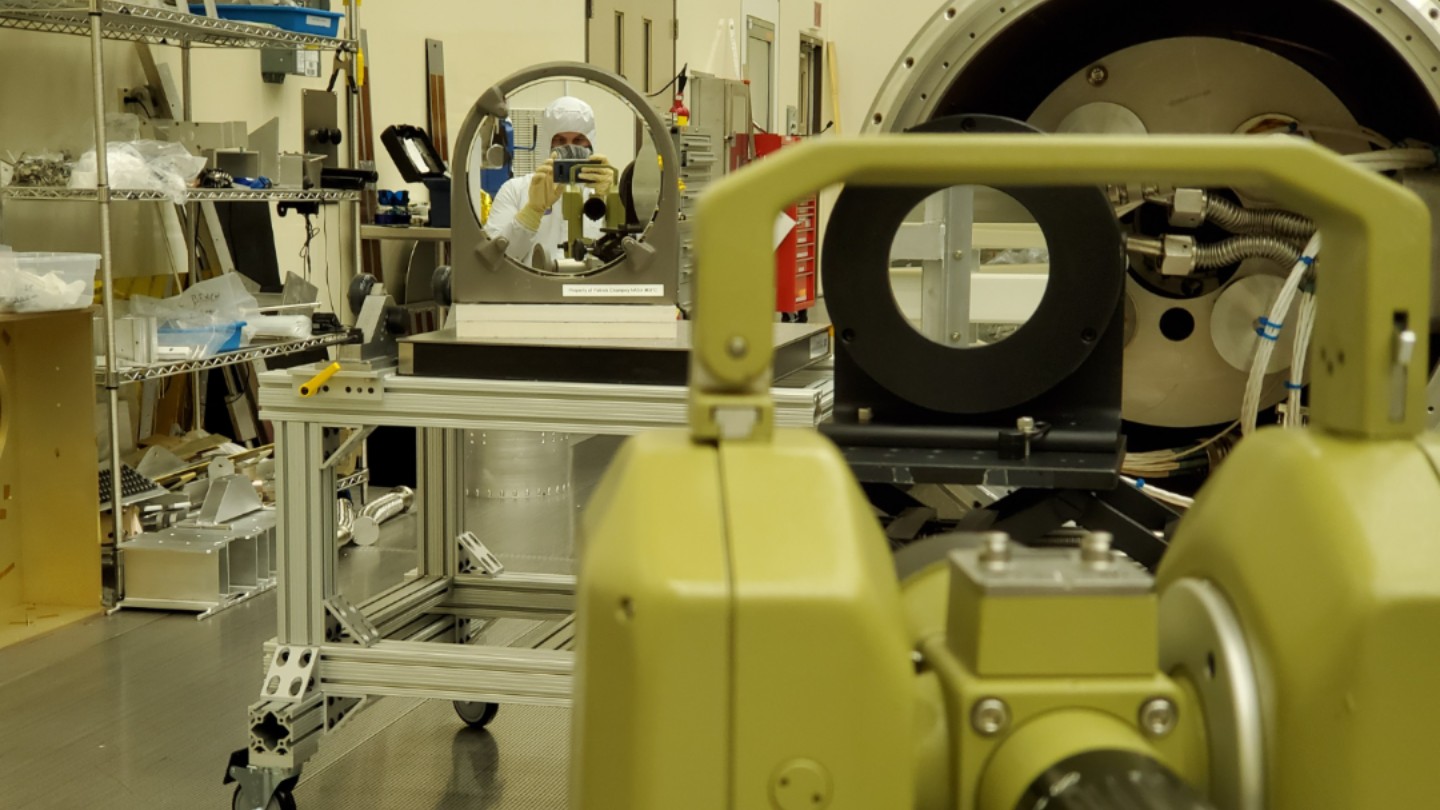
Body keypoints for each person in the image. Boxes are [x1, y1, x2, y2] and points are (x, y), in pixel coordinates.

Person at [485, 96, 615, 267]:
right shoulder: (515, 190)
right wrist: (531, 212)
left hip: (591, 290)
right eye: (560, 141)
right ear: (547, 143)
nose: (569, 149)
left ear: (591, 143)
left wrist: (612, 199)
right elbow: (494, 259)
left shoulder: (606, 188)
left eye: (578, 141)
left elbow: (627, 257)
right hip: (531, 290)